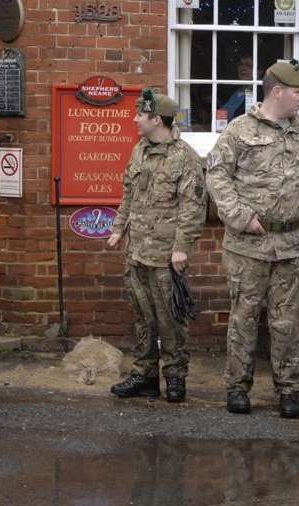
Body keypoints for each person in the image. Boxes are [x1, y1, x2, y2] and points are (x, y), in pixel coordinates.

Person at [206, 59, 299, 418]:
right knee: (244, 318)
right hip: (248, 246)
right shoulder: (239, 131)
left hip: (292, 246)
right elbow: (217, 176)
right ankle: (237, 387)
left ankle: (288, 389)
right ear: (277, 92)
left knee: (287, 323)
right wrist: (241, 217)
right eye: (297, 91)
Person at [108, 90, 207, 403]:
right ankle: (144, 375)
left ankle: (175, 377)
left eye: (141, 114)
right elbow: (128, 193)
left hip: (165, 256)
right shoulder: (139, 151)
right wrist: (118, 228)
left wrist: (181, 248)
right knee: (142, 317)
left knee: (170, 319)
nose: (135, 119)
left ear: (156, 119)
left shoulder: (185, 158)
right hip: (136, 251)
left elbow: (193, 208)